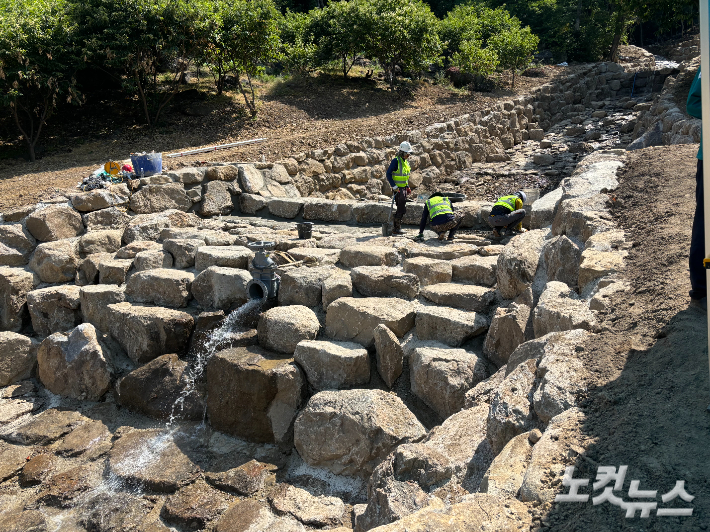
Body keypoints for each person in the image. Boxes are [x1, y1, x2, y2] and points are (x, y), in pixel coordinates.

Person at [686, 67, 707, 309]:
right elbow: (693, 103)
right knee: (704, 221)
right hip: (709, 157)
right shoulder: (708, 64)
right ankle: (700, 291)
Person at [386, 141, 413, 235]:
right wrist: (394, 186)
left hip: (403, 188)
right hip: (398, 189)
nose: (408, 155)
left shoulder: (405, 162)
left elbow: (404, 176)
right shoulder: (396, 161)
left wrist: (407, 186)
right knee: (401, 208)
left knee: (402, 208)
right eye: (407, 153)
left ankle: (397, 228)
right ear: (403, 153)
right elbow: (388, 174)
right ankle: (396, 228)